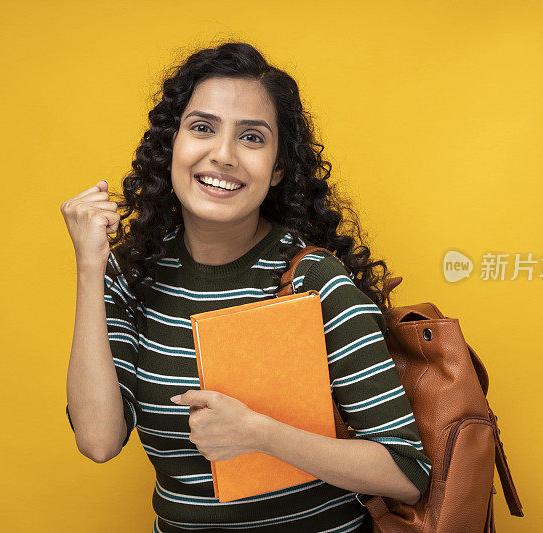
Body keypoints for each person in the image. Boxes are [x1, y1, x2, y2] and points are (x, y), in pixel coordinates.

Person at [61, 41, 431, 533]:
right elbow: (98, 440)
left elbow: (408, 473)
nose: (223, 155)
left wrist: (262, 435)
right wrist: (91, 267)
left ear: (278, 169)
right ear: (172, 144)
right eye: (202, 128)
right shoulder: (134, 277)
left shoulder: (312, 280)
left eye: (252, 138)